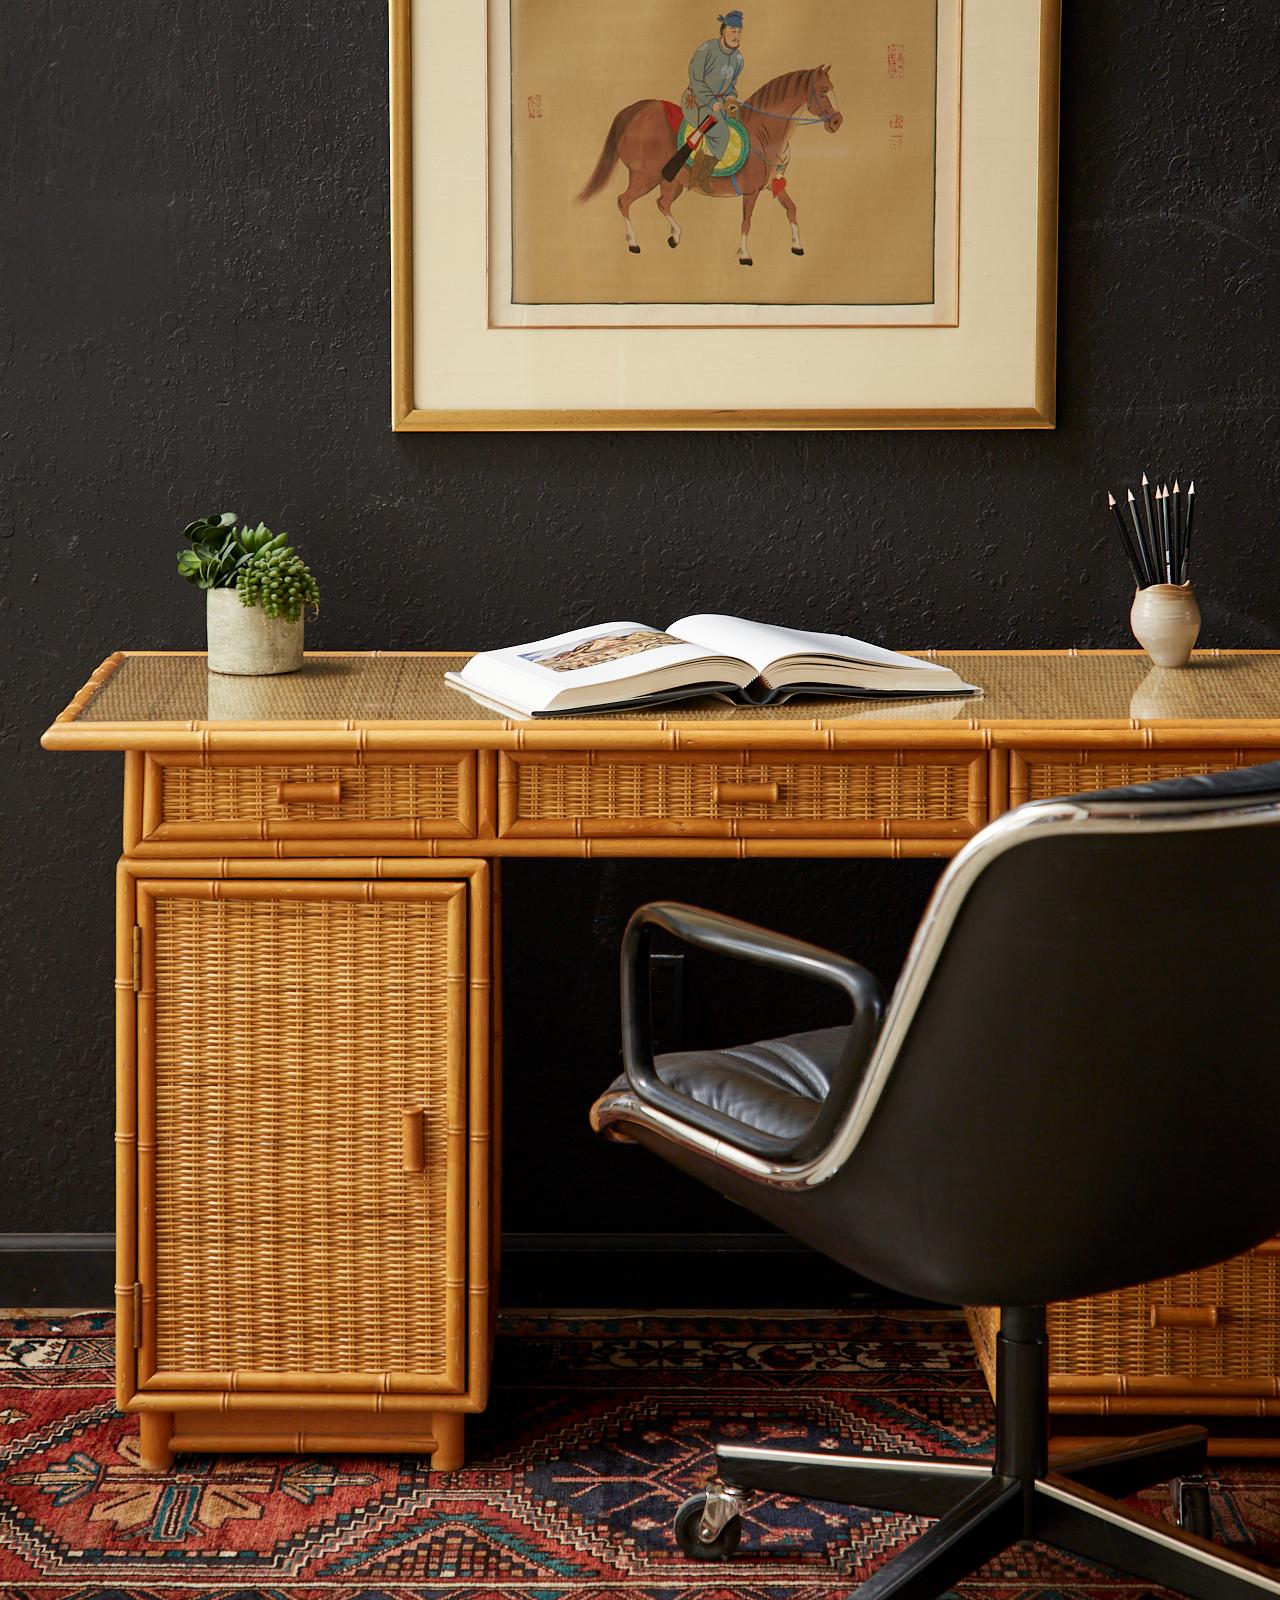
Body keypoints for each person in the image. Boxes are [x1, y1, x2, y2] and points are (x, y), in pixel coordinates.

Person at [683, 11, 744, 194]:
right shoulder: (707, 48)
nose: (737, 35)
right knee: (722, 132)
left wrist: (731, 98)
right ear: (723, 30)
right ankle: (703, 176)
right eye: (733, 30)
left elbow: (731, 85)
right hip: (696, 101)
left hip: (720, 104)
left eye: (740, 31)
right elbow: (695, 79)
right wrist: (711, 101)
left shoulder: (738, 59)